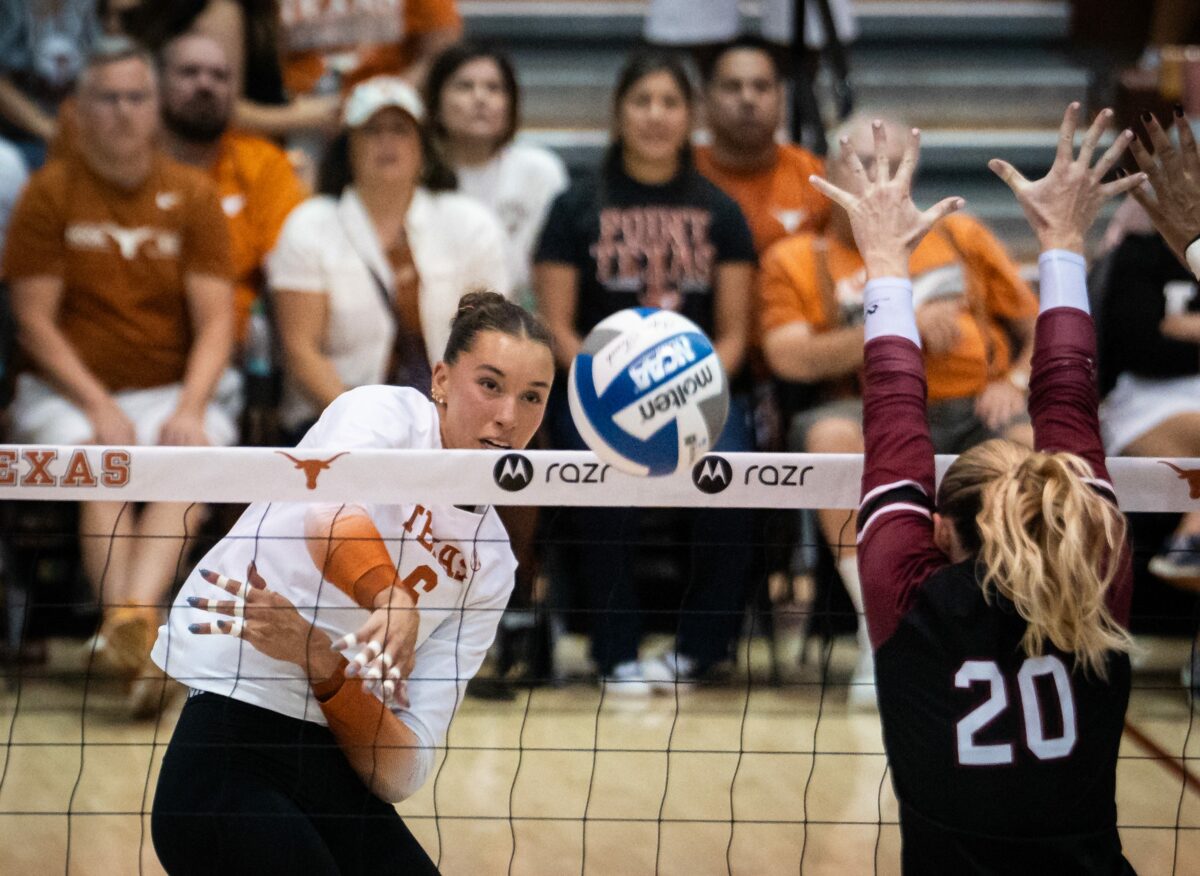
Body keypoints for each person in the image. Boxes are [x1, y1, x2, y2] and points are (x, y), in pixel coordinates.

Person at [810, 104, 1141, 871]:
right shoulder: (1094, 581)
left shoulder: (917, 604)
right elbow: (1062, 398)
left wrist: (883, 261)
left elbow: (897, 406)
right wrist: (1062, 241)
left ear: (940, 533)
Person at [150, 291, 555, 875]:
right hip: (233, 723)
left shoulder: (490, 562)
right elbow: (329, 514)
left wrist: (323, 662)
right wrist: (391, 595)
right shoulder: (383, 415)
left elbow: (400, 770)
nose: (508, 417)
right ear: (441, 379)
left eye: (532, 397)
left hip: (332, 758)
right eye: (489, 385)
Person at [758, 114, 1039, 706]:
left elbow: (1041, 329)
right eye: (860, 164)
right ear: (827, 175)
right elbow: (787, 357)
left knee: (1028, 448)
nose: (876, 178)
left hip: (971, 407)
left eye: (890, 165)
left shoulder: (961, 237)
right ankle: (878, 626)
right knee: (830, 440)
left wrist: (1014, 377)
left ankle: (1012, 619)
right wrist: (897, 323)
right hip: (864, 413)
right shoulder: (796, 258)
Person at [1, 38, 239, 716]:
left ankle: (128, 624)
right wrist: (99, 403)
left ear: (156, 108)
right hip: (69, 391)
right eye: (107, 98)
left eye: (136, 97)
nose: (123, 112)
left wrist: (191, 407)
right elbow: (34, 324)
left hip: (174, 385)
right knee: (103, 456)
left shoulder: (193, 195)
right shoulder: (50, 196)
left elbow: (217, 322)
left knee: (188, 460)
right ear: (75, 111)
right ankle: (142, 628)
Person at [535, 51, 757, 693]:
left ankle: (700, 647)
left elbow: (736, 337)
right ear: (618, 114)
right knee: (602, 483)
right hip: (598, 393)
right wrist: (618, 394)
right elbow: (557, 329)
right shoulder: (574, 206)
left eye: (670, 102)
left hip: (698, 392)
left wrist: (689, 391)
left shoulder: (722, 211)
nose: (656, 115)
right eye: (642, 101)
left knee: (734, 481)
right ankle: (615, 650)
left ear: (691, 117)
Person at [268, 75, 509, 444]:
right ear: (348, 146)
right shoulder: (308, 224)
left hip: (449, 427)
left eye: (400, 130)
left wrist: (441, 429)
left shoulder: (471, 224)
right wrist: (368, 429)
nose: (387, 142)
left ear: (422, 146)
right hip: (331, 423)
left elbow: (491, 342)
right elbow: (301, 351)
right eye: (372, 130)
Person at [159, 32, 307, 347]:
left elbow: (288, 269)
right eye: (189, 72)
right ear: (157, 85)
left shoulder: (263, 164)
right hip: (144, 346)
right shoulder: (129, 165)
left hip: (241, 354)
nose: (205, 85)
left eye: (219, 76)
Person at [425, 42, 568, 307]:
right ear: (436, 104)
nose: (480, 98)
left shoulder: (541, 171)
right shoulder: (417, 175)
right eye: (464, 86)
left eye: (494, 88)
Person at [696, 36, 829, 254]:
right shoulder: (678, 174)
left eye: (761, 86)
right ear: (705, 99)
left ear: (781, 97)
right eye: (732, 87)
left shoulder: (816, 177)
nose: (748, 99)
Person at [0, 0, 101, 170]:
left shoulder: (93, 7)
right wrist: (52, 130)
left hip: (85, 134)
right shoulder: (10, 6)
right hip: (17, 141)